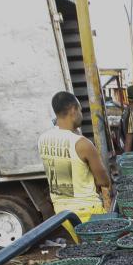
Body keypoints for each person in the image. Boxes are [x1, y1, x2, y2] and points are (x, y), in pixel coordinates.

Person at [39, 91, 112, 219]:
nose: (81, 115)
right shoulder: (83, 144)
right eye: (80, 110)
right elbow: (104, 181)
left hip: (61, 212)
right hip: (87, 211)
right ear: (73, 110)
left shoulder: (43, 139)